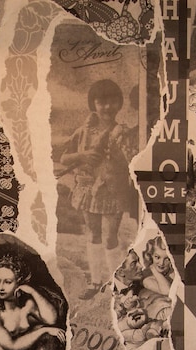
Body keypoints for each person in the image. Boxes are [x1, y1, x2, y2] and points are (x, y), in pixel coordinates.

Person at [60, 79, 136, 292]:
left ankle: (118, 283)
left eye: (112, 102)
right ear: (93, 104)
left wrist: (120, 152)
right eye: (101, 102)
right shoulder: (83, 132)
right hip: (88, 189)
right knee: (93, 234)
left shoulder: (123, 132)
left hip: (113, 190)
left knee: (111, 237)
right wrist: (83, 155)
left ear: (119, 104)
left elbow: (131, 162)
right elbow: (64, 158)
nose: (107, 107)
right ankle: (95, 282)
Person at [0, 251, 66, 350]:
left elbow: (51, 320)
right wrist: (43, 330)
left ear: (19, 282)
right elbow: (12, 345)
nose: (1, 287)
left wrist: (33, 292)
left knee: (52, 338)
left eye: (7, 282)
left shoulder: (27, 305)